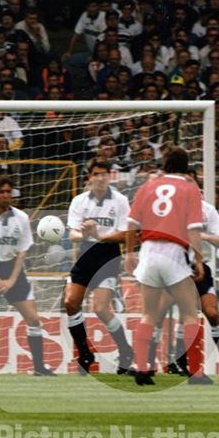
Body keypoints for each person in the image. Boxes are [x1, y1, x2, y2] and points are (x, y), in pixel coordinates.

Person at [124, 146, 212, 386]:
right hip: (173, 251)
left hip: (149, 250)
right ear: (186, 168)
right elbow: (194, 230)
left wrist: (130, 254)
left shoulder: (148, 186)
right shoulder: (190, 188)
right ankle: (196, 373)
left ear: (164, 166)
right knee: (190, 313)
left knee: (148, 314)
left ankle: (142, 368)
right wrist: (199, 260)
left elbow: (131, 222)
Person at [0, 175, 53, 375]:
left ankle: (39, 367)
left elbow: (23, 251)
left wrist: (12, 280)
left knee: (33, 319)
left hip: (14, 271)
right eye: (2, 192)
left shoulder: (22, 218)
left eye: (9, 192)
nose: (6, 195)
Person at [160, 168, 219, 376]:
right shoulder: (170, 209)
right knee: (177, 314)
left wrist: (201, 236)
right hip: (175, 268)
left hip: (202, 269)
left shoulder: (207, 210)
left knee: (211, 313)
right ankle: (174, 362)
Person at [64, 158, 133, 374]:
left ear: (110, 176)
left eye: (105, 174)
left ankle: (125, 350)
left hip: (108, 257)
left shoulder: (120, 201)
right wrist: (83, 234)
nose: (101, 178)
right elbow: (73, 233)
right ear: (90, 177)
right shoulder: (79, 201)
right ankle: (85, 354)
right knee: (70, 303)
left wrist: (99, 235)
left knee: (101, 307)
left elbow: (126, 234)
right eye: (97, 174)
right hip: (86, 254)